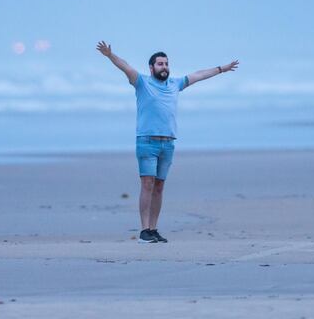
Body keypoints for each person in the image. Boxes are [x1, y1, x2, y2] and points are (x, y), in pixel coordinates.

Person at [96, 41, 239, 243]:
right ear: (152, 67)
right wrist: (110, 55)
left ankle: (153, 229)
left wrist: (221, 69)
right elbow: (126, 66)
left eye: (166, 64)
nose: (164, 67)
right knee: (147, 183)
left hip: (168, 143)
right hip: (147, 141)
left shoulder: (175, 84)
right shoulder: (142, 82)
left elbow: (199, 75)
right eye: (160, 64)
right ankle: (144, 230)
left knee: (159, 186)